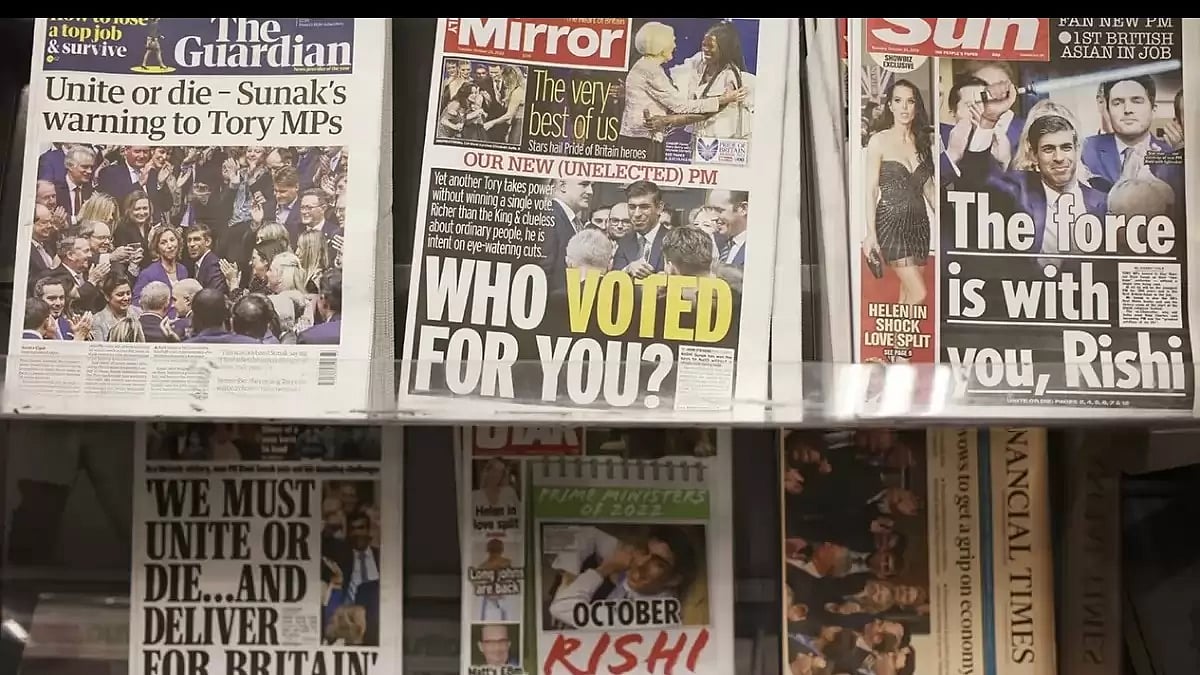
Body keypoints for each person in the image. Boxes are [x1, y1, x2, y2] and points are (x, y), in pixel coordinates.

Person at [861, 80, 935, 318]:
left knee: (907, 295)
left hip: (920, 225)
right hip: (890, 225)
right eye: (898, 101)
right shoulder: (879, 141)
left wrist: (950, 224)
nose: (904, 107)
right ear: (890, 106)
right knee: (918, 293)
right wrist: (870, 233)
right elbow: (871, 189)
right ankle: (897, 353)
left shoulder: (923, 142)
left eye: (910, 101)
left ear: (916, 106)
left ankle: (899, 354)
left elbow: (930, 190)